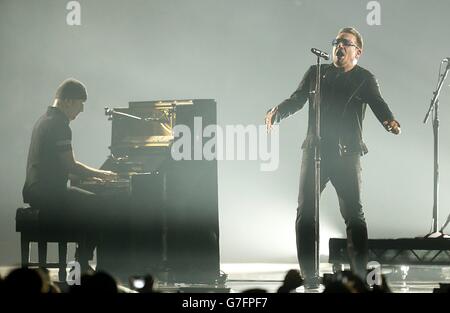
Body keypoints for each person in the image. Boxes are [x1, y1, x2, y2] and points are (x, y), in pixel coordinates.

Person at [265, 28, 400, 288]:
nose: (339, 46)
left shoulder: (364, 79)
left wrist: (389, 121)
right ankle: (309, 275)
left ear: (357, 52)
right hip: (315, 151)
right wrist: (277, 112)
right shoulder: (316, 73)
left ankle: (359, 276)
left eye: (345, 43)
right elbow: (297, 99)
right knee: (305, 213)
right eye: (336, 42)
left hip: (347, 155)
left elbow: (378, 103)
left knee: (354, 215)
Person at [22, 78, 117, 272]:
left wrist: (86, 178)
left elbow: (56, 165)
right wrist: (103, 174)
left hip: (35, 190)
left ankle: (80, 262)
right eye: (80, 104)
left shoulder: (44, 120)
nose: (81, 111)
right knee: (101, 205)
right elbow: (70, 165)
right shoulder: (59, 125)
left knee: (86, 203)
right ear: (68, 101)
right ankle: (82, 263)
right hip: (49, 193)